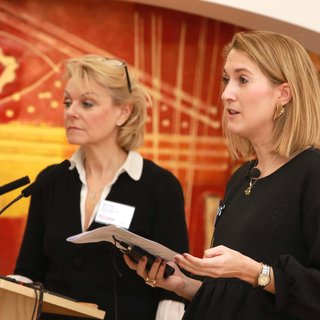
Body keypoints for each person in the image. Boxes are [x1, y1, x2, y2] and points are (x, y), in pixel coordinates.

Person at [124, 30, 320, 320]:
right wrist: (183, 285)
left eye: (242, 79)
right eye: (226, 79)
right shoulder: (242, 178)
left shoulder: (312, 173)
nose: (226, 94)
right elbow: (236, 298)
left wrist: (254, 272)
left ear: (283, 93)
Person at [13, 54, 189, 320]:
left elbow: (172, 295)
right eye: (67, 102)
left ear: (123, 111)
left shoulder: (159, 186)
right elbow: (28, 273)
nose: (71, 112)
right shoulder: (50, 180)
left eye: (87, 103)